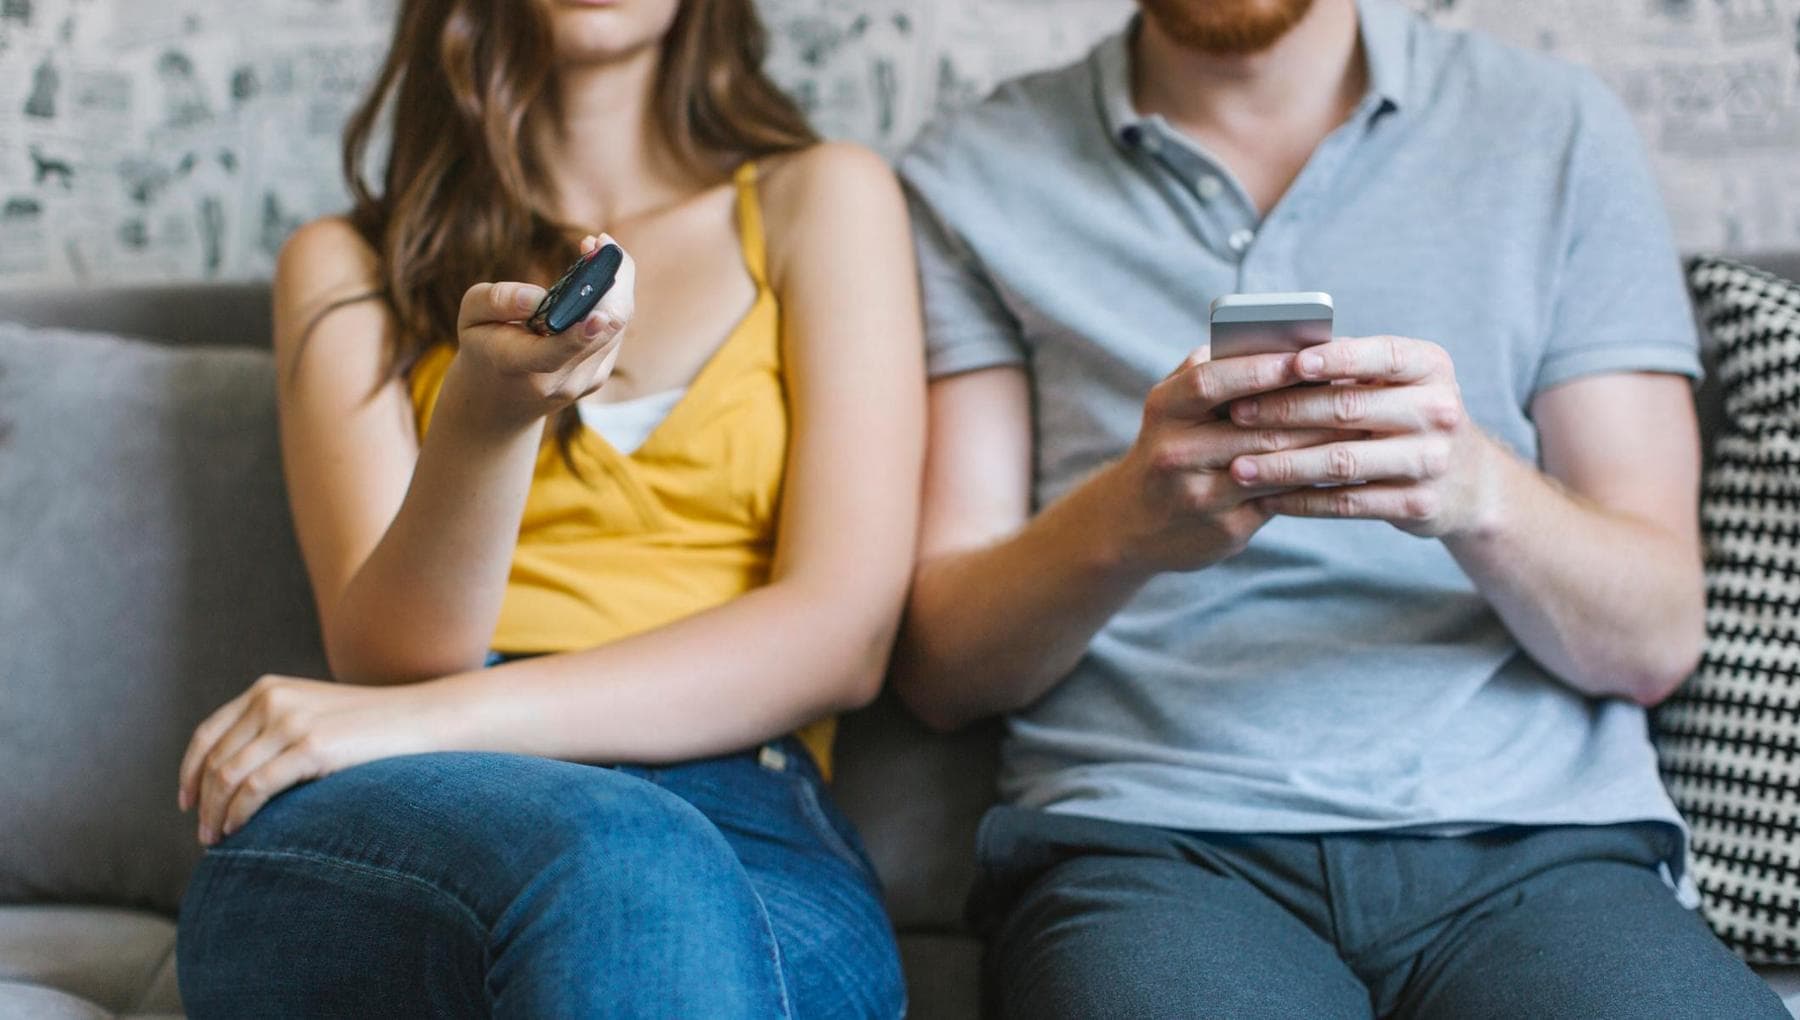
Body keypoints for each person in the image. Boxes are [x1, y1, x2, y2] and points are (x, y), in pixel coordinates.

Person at [893, 0, 1787, 1016]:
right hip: (1153, 846)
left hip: (1541, 851)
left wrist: (1478, 491)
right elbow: (943, 672)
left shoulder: (1554, 128)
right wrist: (1125, 524)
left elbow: (1657, 637)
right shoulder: (972, 173)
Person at [174, 0, 920, 1016]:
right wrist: (489, 419)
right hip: (423, 806)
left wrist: (413, 723)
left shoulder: (822, 197)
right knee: (625, 861)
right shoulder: (347, 263)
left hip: (742, 814)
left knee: (646, 886)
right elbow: (388, 663)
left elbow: (846, 633)